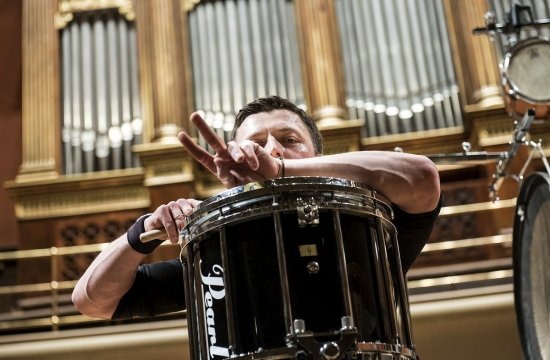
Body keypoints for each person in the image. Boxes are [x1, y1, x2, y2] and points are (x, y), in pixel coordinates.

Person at [72, 95, 441, 320]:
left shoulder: (365, 223)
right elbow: (92, 301)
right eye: (257, 143)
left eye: (288, 139)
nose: (271, 148)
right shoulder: (217, 251)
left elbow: (423, 177)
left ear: (316, 156)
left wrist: (280, 170)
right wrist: (144, 232)